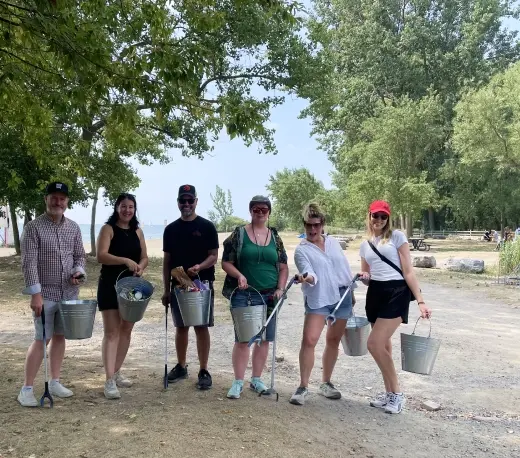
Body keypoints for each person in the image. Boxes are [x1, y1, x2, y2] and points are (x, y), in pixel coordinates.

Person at [17, 182, 87, 407]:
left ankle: (55, 381)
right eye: (54, 198)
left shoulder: (74, 227)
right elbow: (29, 263)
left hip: (68, 292)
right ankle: (26, 388)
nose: (58, 202)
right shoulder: (33, 227)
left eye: (62, 198)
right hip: (45, 293)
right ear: (46, 199)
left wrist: (78, 271)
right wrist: (35, 294)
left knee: (59, 336)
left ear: (67, 202)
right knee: (42, 338)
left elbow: (80, 256)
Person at [359, 200, 431, 414]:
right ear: (369, 216)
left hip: (396, 292)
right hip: (375, 294)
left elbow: (408, 271)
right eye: (375, 216)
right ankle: (389, 393)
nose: (379, 220)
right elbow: (368, 276)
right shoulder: (365, 244)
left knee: (374, 343)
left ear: (388, 218)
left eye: (383, 216)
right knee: (384, 347)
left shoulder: (397, 237)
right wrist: (363, 277)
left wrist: (420, 301)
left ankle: (398, 396)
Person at [289, 203, 357, 406]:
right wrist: (306, 278)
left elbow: (343, 267)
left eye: (316, 225)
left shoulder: (334, 243)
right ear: (304, 224)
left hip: (342, 295)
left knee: (333, 340)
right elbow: (309, 271)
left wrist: (351, 293)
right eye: (308, 225)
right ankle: (303, 386)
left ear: (323, 224)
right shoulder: (302, 251)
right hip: (318, 298)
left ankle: (326, 383)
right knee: (309, 340)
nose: (312, 230)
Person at [221, 195, 289, 399]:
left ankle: (257, 379)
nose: (260, 213)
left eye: (264, 210)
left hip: (270, 295)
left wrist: (280, 288)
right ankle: (238, 382)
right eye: (256, 209)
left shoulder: (275, 237)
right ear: (250, 210)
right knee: (243, 339)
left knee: (265, 339)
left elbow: (284, 267)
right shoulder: (238, 234)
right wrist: (239, 275)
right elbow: (226, 262)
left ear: (269, 212)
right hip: (245, 294)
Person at [162, 185, 219, 390]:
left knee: (201, 326)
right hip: (178, 284)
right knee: (181, 326)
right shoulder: (170, 230)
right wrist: (166, 290)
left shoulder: (207, 227)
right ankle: (181, 365)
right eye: (182, 201)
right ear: (178, 202)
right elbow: (167, 261)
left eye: (190, 200)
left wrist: (200, 266)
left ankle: (203, 370)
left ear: (196, 201)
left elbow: (214, 256)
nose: (186, 204)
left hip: (202, 283)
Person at [96, 193, 149, 399]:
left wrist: (140, 267)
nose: (127, 210)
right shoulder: (107, 229)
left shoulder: (138, 231)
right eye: (123, 206)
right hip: (110, 285)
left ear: (135, 210)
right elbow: (101, 255)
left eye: (131, 207)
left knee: (126, 330)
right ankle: (108, 380)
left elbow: (144, 257)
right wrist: (125, 260)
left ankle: (116, 372)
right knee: (112, 333)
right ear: (116, 208)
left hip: (132, 287)